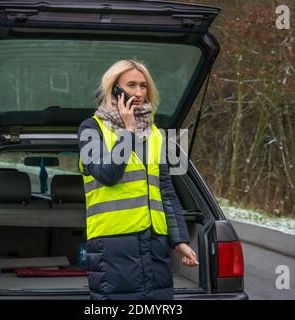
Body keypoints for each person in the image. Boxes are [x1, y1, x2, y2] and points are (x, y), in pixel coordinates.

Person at [77, 59, 198, 300]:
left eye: (143, 86)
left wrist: (179, 240)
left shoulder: (154, 134)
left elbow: (165, 190)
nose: (139, 92)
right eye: (131, 85)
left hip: (154, 244)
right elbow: (107, 175)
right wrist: (127, 132)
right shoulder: (91, 128)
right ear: (115, 88)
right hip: (112, 245)